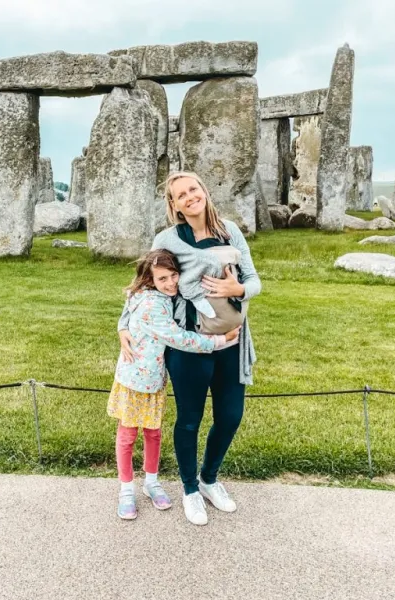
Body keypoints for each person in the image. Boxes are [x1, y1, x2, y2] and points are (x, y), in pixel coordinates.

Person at [118, 171, 261, 526]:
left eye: (193, 189)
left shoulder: (230, 230)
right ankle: (189, 490)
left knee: (230, 416)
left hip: (231, 340)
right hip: (187, 344)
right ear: (174, 205)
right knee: (189, 420)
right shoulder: (167, 238)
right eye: (180, 195)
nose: (189, 197)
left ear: (204, 192)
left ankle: (209, 479)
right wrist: (123, 324)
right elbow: (146, 284)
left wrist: (237, 290)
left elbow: (254, 279)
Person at [109, 249, 240, 520]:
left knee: (154, 433)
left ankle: (152, 482)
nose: (170, 283)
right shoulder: (151, 305)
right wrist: (220, 341)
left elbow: (128, 308)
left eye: (173, 276)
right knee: (128, 435)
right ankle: (126, 489)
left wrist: (122, 328)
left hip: (154, 380)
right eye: (162, 279)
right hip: (133, 381)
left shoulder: (158, 295)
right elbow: (179, 338)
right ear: (150, 280)